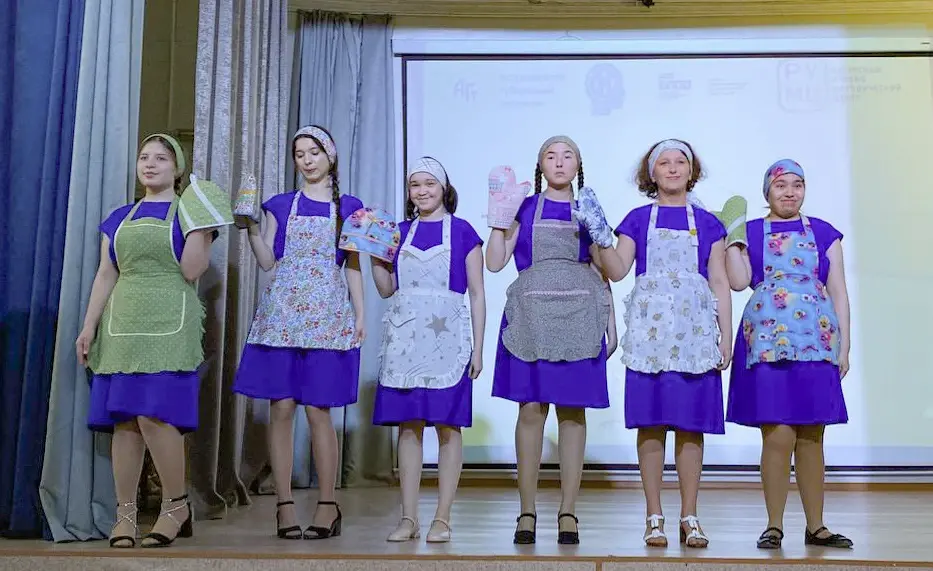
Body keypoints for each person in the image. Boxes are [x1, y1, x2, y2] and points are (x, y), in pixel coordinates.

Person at [77, 133, 233, 548]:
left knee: (155, 416)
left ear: (177, 168)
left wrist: (201, 225)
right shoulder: (119, 217)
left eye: (161, 158)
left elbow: (191, 271)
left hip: (170, 321)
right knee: (126, 421)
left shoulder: (189, 213)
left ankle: (175, 506)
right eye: (144, 157)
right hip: (122, 324)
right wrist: (89, 326)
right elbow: (106, 273)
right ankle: (125, 515)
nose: (150, 164)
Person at [232, 125, 365, 540]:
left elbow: (354, 265)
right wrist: (252, 230)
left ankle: (327, 504)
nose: (307, 160)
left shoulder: (351, 207)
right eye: (300, 154)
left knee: (319, 410)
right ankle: (284, 505)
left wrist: (361, 315)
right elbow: (267, 261)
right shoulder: (279, 204)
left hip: (327, 316)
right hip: (283, 315)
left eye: (314, 152)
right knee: (282, 408)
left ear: (331, 155)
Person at [486, 135, 619, 545]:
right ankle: (526, 511)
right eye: (551, 155)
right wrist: (499, 217)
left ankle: (568, 511)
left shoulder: (588, 208)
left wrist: (612, 323)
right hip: (530, 316)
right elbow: (495, 263)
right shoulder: (524, 208)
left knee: (573, 414)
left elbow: (603, 268)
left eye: (567, 156)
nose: (559, 162)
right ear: (540, 165)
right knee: (530, 411)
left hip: (581, 315)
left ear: (579, 165)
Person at [724, 159, 853, 549]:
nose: (790, 192)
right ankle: (774, 525)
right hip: (767, 342)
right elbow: (739, 282)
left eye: (797, 184)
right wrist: (733, 235)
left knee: (813, 435)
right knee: (778, 435)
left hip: (816, 340)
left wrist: (844, 345)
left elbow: (839, 290)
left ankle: (816, 526)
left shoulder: (824, 232)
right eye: (781, 185)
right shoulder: (751, 231)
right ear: (767, 191)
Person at [609, 139, 731, 548]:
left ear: (692, 171)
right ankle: (653, 515)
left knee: (691, 426)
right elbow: (618, 268)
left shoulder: (710, 223)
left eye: (681, 162)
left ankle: (690, 515)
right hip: (650, 339)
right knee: (651, 424)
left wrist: (725, 335)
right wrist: (597, 238)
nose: (674, 168)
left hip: (695, 337)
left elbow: (719, 281)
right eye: (665, 162)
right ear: (651, 172)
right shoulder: (637, 219)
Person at [370, 157, 486, 544]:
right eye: (415, 185)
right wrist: (372, 253)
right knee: (409, 427)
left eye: (429, 184)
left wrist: (478, 349)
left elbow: (477, 294)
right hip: (405, 342)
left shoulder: (464, 232)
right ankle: (408, 517)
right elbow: (387, 289)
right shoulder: (398, 233)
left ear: (444, 188)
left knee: (448, 428)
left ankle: (442, 517)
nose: (422, 191)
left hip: (448, 343)